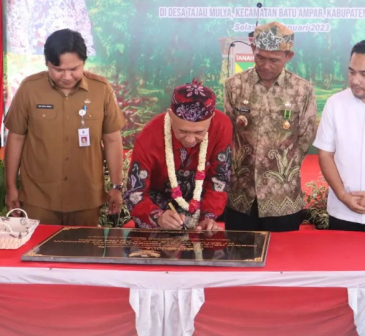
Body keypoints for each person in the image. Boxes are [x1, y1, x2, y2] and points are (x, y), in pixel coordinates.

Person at [5, 29, 125, 226]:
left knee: (84, 254)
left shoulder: (101, 89)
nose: (67, 76)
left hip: (86, 197)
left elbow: (112, 139)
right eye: (58, 70)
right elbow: (16, 138)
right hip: (38, 198)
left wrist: (116, 186)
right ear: (47, 63)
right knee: (36, 253)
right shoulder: (29, 89)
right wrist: (11, 188)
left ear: (84, 62)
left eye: (74, 69)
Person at [224, 22, 317, 232]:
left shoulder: (302, 90)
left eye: (274, 60)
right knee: (237, 253)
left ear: (288, 56)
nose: (266, 65)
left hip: (282, 196)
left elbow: (305, 137)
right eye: (260, 57)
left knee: (285, 257)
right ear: (253, 51)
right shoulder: (235, 85)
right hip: (241, 195)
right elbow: (228, 133)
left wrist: (283, 168)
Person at [124, 80, 232, 230]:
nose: (190, 139)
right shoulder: (149, 136)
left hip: (200, 209)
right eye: (183, 131)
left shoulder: (221, 126)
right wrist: (157, 216)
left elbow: (220, 177)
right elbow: (134, 193)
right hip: (158, 209)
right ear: (170, 114)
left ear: (212, 118)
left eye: (199, 132)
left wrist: (209, 217)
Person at [313, 40, 365, 231]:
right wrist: (343, 195)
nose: (355, 80)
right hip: (343, 211)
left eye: (363, 74)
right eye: (352, 72)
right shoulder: (335, 103)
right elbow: (325, 154)